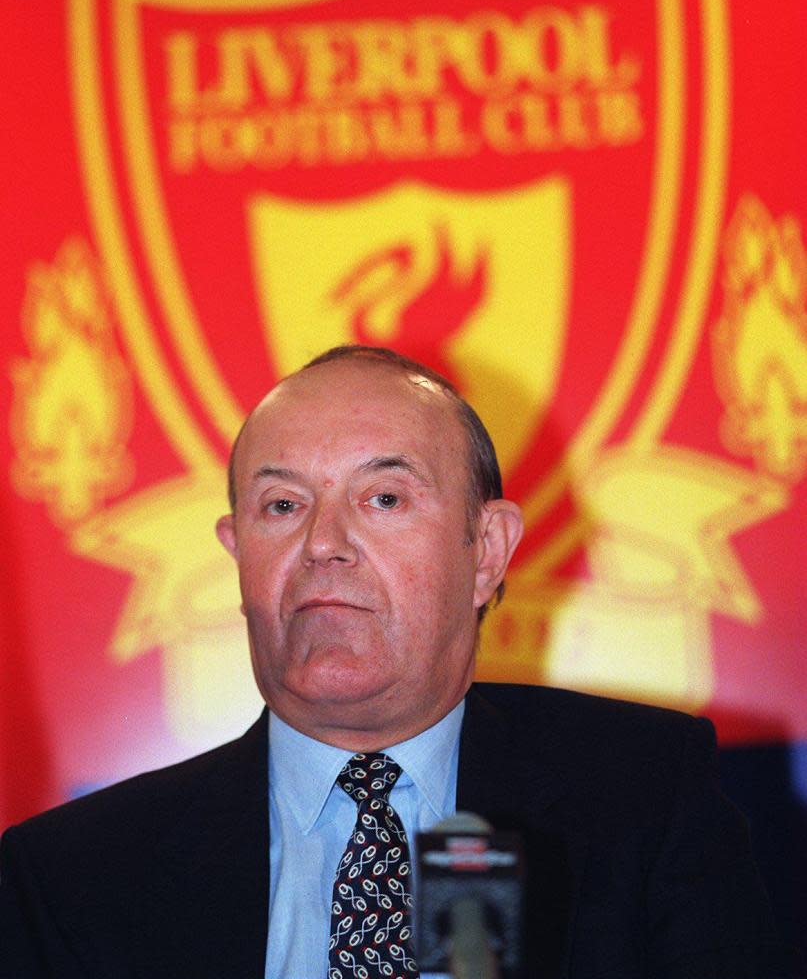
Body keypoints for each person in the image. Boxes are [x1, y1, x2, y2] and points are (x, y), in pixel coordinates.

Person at [0, 345, 799, 979]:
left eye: (383, 498)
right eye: (282, 506)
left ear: (486, 551)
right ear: (236, 552)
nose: (322, 545)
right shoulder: (70, 877)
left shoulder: (643, 795)